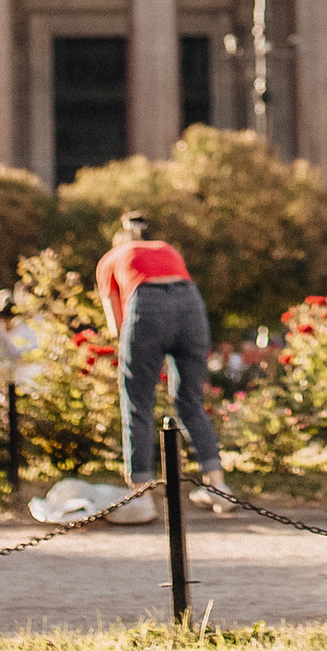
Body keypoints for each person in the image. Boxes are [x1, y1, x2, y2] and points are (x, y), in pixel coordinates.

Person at [97, 210, 229, 509]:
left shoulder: (111, 258)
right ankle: (219, 488)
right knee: (190, 401)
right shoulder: (167, 249)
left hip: (147, 308)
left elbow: (115, 325)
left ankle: (141, 493)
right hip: (191, 306)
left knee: (138, 403)